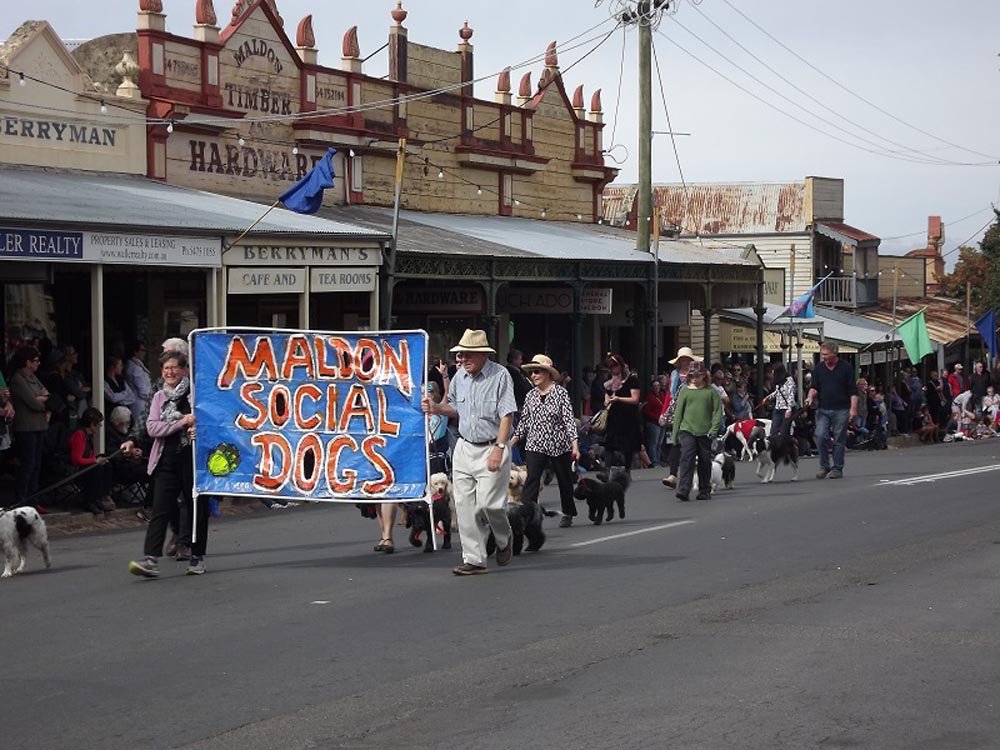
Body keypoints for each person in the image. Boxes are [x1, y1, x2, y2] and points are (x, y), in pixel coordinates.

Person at [422, 329, 516, 576]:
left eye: (466, 354)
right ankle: (474, 559)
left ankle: (504, 537)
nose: (461, 359)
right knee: (463, 506)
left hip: (491, 446)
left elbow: (507, 414)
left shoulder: (500, 375)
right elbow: (453, 408)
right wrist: (436, 408)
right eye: (459, 354)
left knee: (489, 505)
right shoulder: (459, 378)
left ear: (482, 354)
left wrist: (499, 447)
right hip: (464, 446)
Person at [128, 353, 207, 578]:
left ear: (184, 370)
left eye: (173, 368)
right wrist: (182, 422)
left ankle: (197, 555)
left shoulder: (196, 395)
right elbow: (152, 428)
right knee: (160, 507)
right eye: (165, 369)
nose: (169, 372)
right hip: (165, 458)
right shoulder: (159, 397)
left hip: (191, 457)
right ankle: (150, 559)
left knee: (195, 508)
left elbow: (205, 421)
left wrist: (195, 425)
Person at [510, 354, 580, 530]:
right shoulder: (531, 396)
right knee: (532, 480)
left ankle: (568, 512)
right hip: (535, 444)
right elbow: (524, 422)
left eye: (537, 371)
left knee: (564, 480)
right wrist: (511, 442)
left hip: (559, 445)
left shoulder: (560, 393)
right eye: (531, 372)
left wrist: (575, 445)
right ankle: (527, 514)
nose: (533, 375)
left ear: (547, 373)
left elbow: (569, 420)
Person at [805, 341, 858, 479]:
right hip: (823, 408)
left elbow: (853, 390)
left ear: (835, 354)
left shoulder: (846, 368)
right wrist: (810, 397)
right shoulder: (819, 369)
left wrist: (853, 408)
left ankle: (837, 468)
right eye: (822, 354)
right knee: (820, 436)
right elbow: (814, 386)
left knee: (839, 439)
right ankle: (824, 465)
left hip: (842, 409)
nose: (823, 357)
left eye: (826, 354)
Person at [671, 361, 723, 502]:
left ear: (704, 376)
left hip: (705, 432)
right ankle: (683, 489)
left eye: (697, 376)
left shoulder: (711, 391)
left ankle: (704, 490)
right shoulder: (685, 391)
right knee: (686, 459)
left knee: (705, 461)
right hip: (687, 430)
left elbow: (718, 411)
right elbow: (678, 414)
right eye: (692, 376)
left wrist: (714, 429)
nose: (694, 378)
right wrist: (675, 435)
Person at [8, 347, 49, 509]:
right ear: (28, 362)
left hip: (39, 425)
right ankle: (21, 499)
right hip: (26, 427)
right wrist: (40, 399)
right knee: (28, 464)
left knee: (37, 464)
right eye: (36, 361)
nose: (38, 363)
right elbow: (32, 402)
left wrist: (41, 398)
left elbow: (47, 394)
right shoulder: (18, 379)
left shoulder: (33, 377)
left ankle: (33, 498)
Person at [661, 347, 699, 488]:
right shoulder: (674, 375)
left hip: (693, 412)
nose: (685, 362)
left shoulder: (697, 375)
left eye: (687, 360)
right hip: (677, 413)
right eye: (682, 360)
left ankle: (694, 474)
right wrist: (663, 413)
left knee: (694, 444)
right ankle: (673, 474)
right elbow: (669, 397)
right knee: (675, 442)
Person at [68, 407, 115, 514]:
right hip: (74, 469)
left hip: (84, 465)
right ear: (92, 424)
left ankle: (103, 496)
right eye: (98, 424)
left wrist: (97, 460)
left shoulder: (88, 436)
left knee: (106, 463)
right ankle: (90, 500)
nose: (99, 427)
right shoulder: (79, 435)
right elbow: (76, 460)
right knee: (96, 469)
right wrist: (95, 461)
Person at [602, 353, 641, 472]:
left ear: (621, 366)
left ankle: (627, 470)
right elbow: (607, 394)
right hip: (614, 416)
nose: (613, 370)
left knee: (627, 445)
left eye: (615, 366)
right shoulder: (611, 381)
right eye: (610, 367)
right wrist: (607, 400)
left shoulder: (632, 380)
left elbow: (635, 399)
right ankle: (605, 469)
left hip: (628, 417)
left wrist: (619, 399)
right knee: (610, 443)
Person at [123, 340, 152, 425]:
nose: (144, 353)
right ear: (135, 352)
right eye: (142, 350)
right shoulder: (135, 368)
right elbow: (143, 391)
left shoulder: (136, 365)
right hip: (140, 404)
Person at [766, 364, 797, 436]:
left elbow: (791, 396)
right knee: (773, 429)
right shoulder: (778, 381)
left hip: (786, 409)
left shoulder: (789, 381)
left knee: (784, 431)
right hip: (778, 407)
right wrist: (768, 397)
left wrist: (789, 410)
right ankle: (774, 444)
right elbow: (777, 392)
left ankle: (784, 445)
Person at [641, 379, 666, 467]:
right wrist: (657, 418)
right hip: (654, 423)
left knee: (659, 443)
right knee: (653, 443)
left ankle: (658, 460)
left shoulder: (662, 395)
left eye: (658, 386)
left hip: (662, 422)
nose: (657, 388)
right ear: (652, 388)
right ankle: (654, 461)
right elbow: (647, 411)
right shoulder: (649, 397)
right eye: (655, 386)